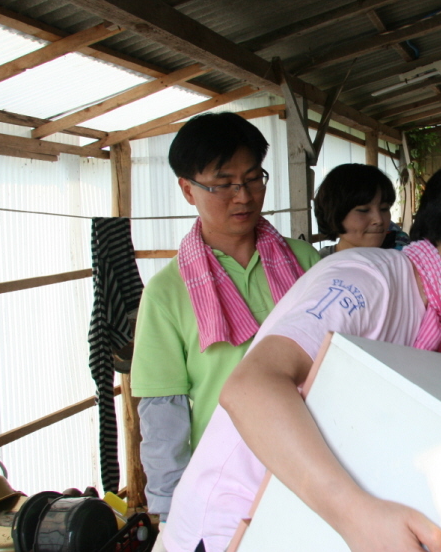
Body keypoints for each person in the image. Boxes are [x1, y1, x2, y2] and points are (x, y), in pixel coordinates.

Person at [160, 156, 441, 552]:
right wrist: (357, 515)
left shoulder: (440, 315)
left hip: (295, 522)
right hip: (233, 527)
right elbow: (250, 387)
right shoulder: (367, 282)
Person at [130, 112, 320, 521]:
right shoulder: (167, 292)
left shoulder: (305, 262)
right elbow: (164, 417)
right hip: (226, 488)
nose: (244, 196)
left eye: (253, 179)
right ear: (187, 189)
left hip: (315, 468)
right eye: (223, 184)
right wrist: (169, 511)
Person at [313, 163, 410, 257]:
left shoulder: (404, 260)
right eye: (363, 210)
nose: (379, 220)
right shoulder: (314, 266)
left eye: (384, 209)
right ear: (334, 214)